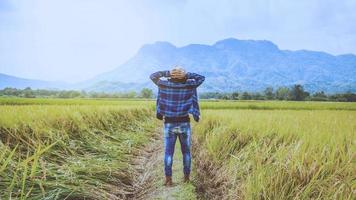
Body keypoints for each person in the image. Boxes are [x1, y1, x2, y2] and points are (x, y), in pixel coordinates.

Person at [149, 67, 205, 186]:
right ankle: (186, 178)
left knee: (169, 152)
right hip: (184, 123)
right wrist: (186, 75)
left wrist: (166, 72)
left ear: (172, 75)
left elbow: (153, 76)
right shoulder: (190, 84)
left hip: (169, 123)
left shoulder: (164, 84)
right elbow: (201, 78)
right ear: (182, 75)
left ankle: (168, 180)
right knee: (186, 152)